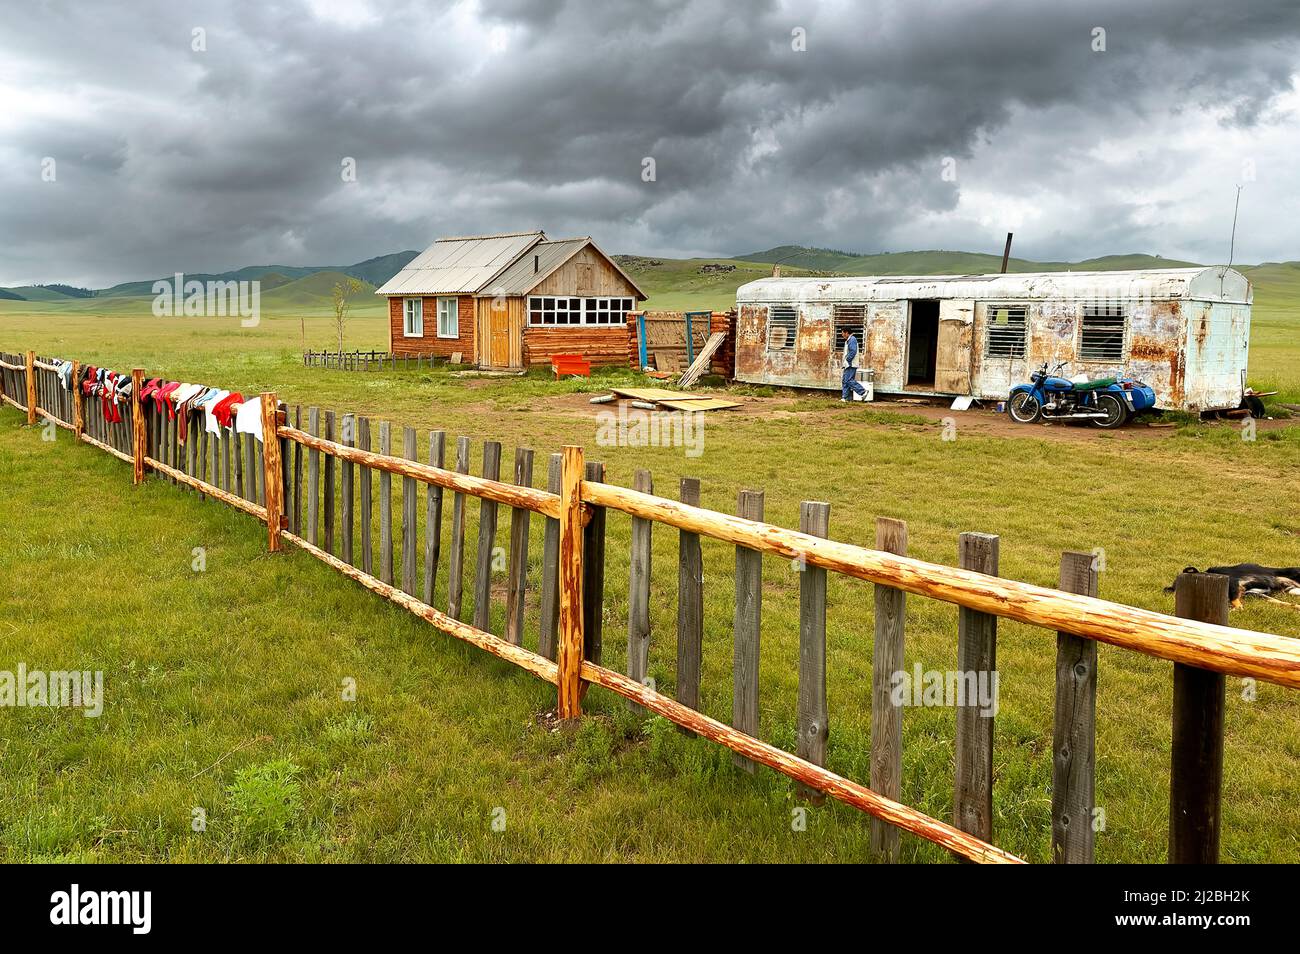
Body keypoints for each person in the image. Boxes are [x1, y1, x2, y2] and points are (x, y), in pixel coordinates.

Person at [840, 328, 868, 402]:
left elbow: (853, 351)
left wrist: (847, 360)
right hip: (848, 364)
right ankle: (845, 398)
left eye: (842, 333)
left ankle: (863, 392)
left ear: (846, 332)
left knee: (848, 380)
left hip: (851, 364)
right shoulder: (849, 340)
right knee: (845, 380)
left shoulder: (852, 339)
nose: (842, 335)